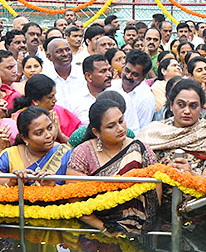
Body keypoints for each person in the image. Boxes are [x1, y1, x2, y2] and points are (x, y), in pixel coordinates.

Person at [63, 94, 158, 234]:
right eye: (111, 126)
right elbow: (75, 201)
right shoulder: (83, 153)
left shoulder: (140, 148)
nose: (120, 128)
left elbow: (155, 194)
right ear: (96, 132)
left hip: (142, 231)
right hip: (93, 232)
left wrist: (147, 226)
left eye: (121, 121)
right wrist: (102, 227)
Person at [139, 78, 206, 177]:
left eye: (193, 106)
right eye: (181, 105)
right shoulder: (153, 131)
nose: (187, 111)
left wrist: (190, 174)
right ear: (171, 105)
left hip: (196, 190)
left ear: (201, 107)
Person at [0, 106, 70, 183]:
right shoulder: (10, 155)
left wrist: (52, 186)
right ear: (25, 138)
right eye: (39, 133)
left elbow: (76, 189)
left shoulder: (66, 153)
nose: (48, 135)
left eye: (50, 128)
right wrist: (12, 181)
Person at [12, 73, 81, 142]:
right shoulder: (19, 119)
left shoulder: (60, 112)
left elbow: (74, 146)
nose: (55, 100)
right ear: (35, 101)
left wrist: (60, 135)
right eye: (50, 97)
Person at [110, 49, 157, 131]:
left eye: (135, 74)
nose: (128, 76)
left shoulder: (147, 99)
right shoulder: (111, 86)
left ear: (143, 77)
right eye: (127, 70)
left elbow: (141, 131)